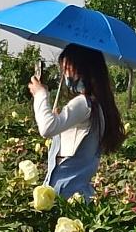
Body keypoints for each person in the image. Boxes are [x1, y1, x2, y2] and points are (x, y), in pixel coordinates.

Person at [28, 45, 125, 203]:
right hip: (78, 196)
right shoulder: (97, 105)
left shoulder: (84, 103)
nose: (65, 74)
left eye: (68, 68)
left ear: (83, 69)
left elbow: (46, 128)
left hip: (67, 196)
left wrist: (40, 94)